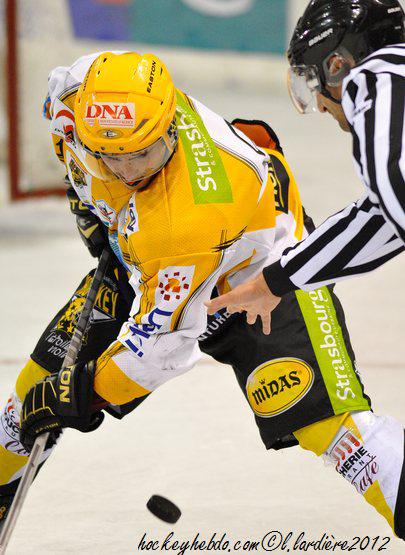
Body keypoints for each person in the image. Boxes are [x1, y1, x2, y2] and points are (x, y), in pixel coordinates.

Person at [0, 50, 404, 541]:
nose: (127, 172)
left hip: (256, 279)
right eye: (111, 157)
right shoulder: (77, 94)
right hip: (145, 260)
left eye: (142, 154)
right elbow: (71, 139)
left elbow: (161, 349)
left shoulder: (187, 221)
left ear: (169, 127)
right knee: (31, 392)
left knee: (334, 431)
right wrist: (87, 206)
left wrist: (85, 394)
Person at [206, 0, 405, 334]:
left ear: (337, 66)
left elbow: (396, 184)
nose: (323, 107)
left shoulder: (374, 80)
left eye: (314, 83)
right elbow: (381, 218)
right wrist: (272, 282)